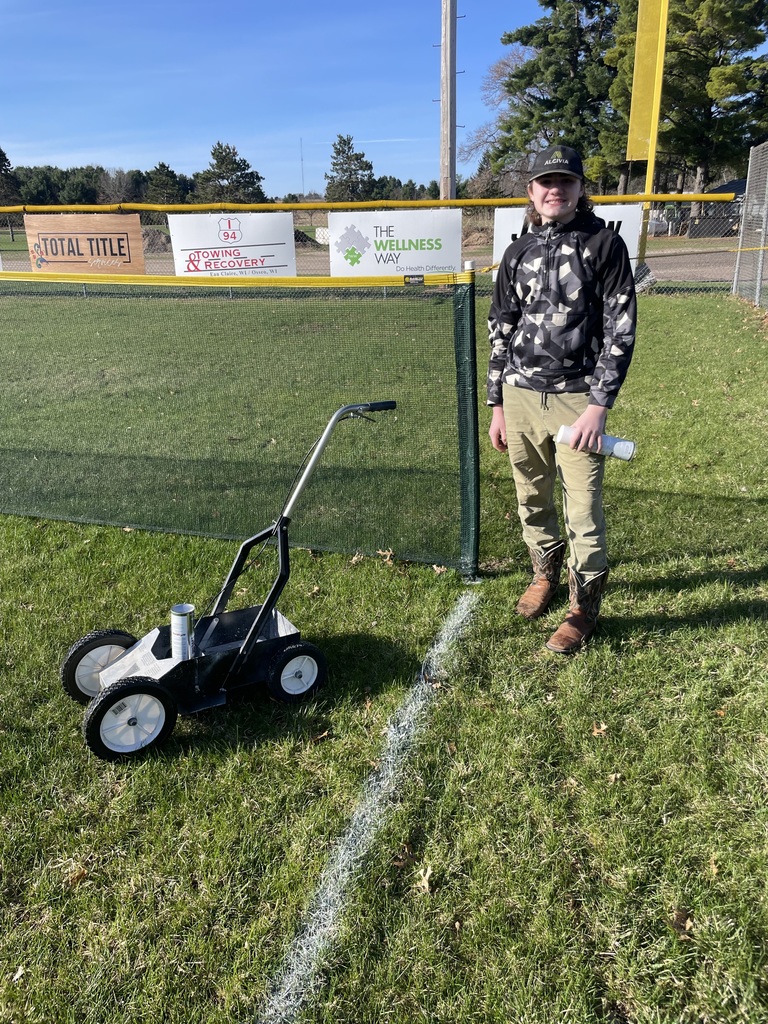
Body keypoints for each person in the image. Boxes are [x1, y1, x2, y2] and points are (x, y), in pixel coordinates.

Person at [487, 144, 637, 654]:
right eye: (545, 182)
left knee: (584, 509)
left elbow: (622, 328)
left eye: (566, 181)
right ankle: (544, 576)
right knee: (532, 496)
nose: (555, 190)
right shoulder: (517, 252)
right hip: (521, 394)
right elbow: (500, 329)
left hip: (578, 401)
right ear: (531, 192)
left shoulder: (604, 245)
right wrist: (497, 404)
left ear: (579, 189)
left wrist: (599, 405)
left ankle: (583, 608)